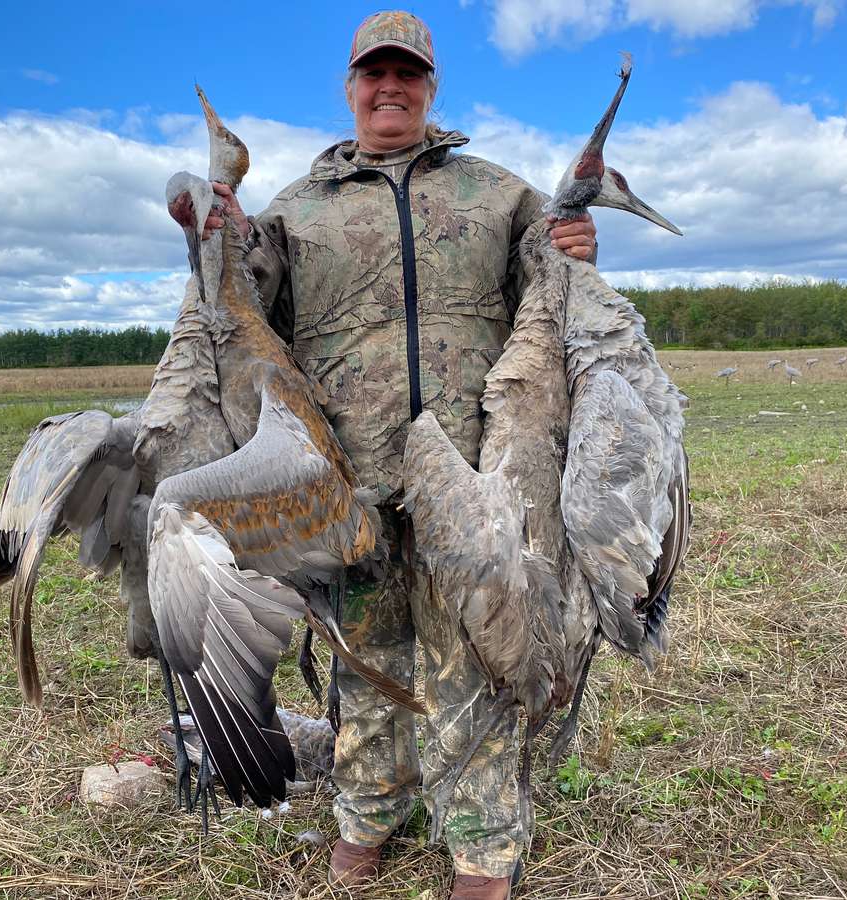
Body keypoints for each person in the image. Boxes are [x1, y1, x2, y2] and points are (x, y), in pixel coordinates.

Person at [205, 11, 596, 899]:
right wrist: (217, 235)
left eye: (408, 74)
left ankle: (482, 849)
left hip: (470, 476)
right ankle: (367, 817)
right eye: (374, 74)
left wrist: (575, 246)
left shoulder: (499, 194)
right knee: (367, 663)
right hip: (346, 480)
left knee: (477, 661)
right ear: (349, 89)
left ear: (431, 87)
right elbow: (241, 312)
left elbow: (552, 287)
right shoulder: (294, 211)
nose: (391, 88)